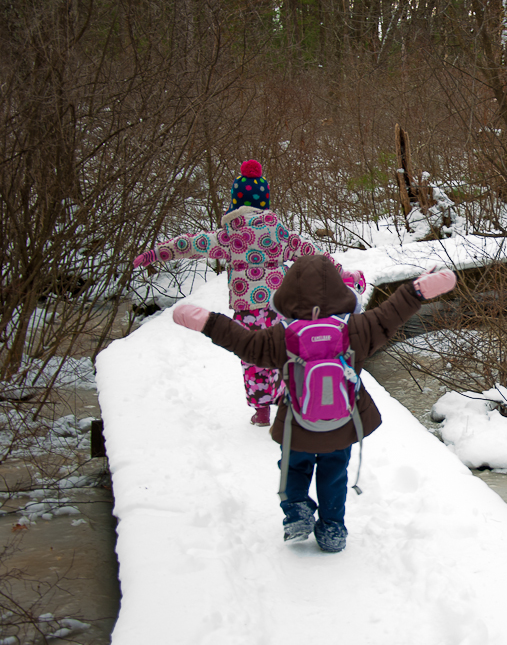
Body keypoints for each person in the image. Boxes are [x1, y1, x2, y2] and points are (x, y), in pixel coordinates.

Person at [171, 255, 457, 552]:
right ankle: (332, 529)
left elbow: (245, 344)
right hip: (342, 423)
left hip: (297, 424)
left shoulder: (282, 337)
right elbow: (389, 316)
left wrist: (209, 322)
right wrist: (415, 292)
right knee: (334, 474)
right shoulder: (356, 329)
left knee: (292, 467)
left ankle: (296, 512)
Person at [132, 160, 366, 426]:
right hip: (281, 306)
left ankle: (262, 411)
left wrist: (156, 253)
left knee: (253, 355)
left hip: (247, 310)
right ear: (264, 201)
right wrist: (343, 272)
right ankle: (289, 402)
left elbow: (191, 243)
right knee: (285, 351)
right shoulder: (279, 232)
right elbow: (312, 253)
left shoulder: (229, 235)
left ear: (236, 201)